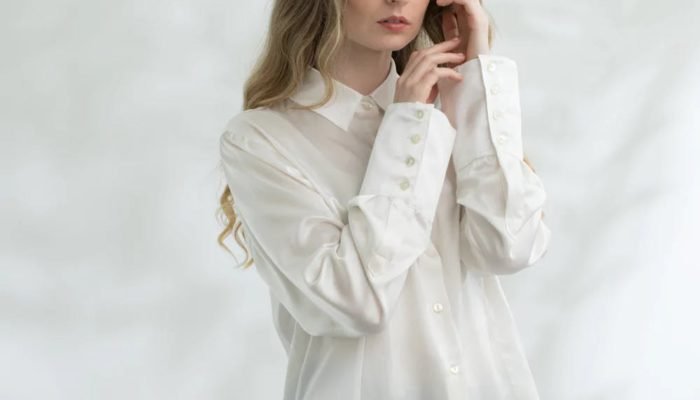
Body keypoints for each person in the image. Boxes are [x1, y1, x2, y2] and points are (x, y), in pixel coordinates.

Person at [217, 0, 551, 398]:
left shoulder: (450, 110)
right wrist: (407, 124)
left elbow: (508, 248)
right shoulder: (260, 139)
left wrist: (476, 83)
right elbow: (354, 303)